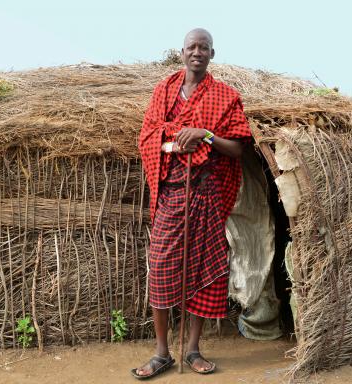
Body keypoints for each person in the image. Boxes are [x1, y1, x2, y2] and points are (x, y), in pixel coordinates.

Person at [132, 28, 252, 379]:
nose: (197, 52)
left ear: (212, 54)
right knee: (162, 269)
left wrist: (206, 135)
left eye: (204, 48)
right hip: (172, 195)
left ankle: (193, 350)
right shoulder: (164, 91)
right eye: (191, 47)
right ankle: (161, 353)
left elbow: (237, 148)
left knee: (204, 273)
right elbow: (148, 137)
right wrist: (173, 142)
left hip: (206, 195)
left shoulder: (226, 96)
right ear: (181, 53)